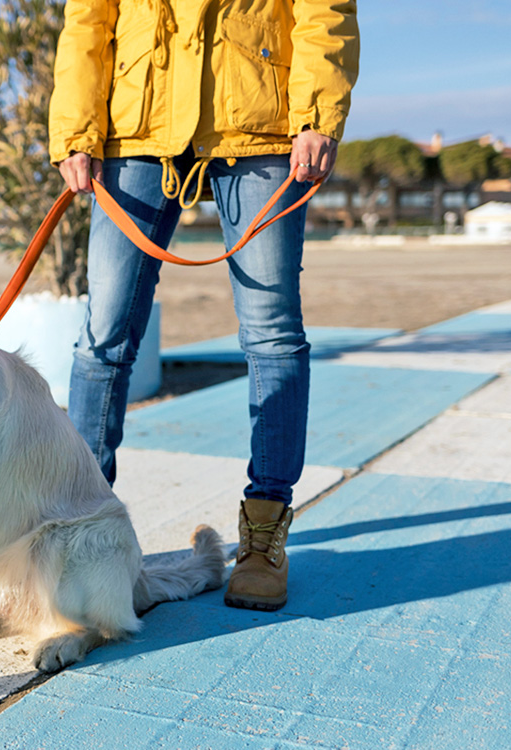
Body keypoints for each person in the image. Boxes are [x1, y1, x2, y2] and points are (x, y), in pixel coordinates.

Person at [49, 0, 359, 611]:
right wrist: (75, 129)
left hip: (260, 118)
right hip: (135, 123)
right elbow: (88, 19)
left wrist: (318, 115)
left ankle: (265, 532)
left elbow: (324, 9)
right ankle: (78, 529)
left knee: (272, 335)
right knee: (104, 337)